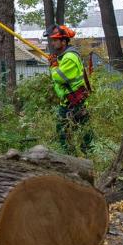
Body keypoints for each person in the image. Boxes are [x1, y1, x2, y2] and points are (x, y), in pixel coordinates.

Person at [44, 25, 94, 155]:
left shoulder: (70, 57)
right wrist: (55, 63)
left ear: (64, 41)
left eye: (55, 40)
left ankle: (88, 156)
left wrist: (54, 67)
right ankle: (70, 157)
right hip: (68, 101)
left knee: (83, 133)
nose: (53, 43)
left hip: (76, 102)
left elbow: (59, 78)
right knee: (64, 132)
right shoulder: (64, 57)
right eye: (52, 40)